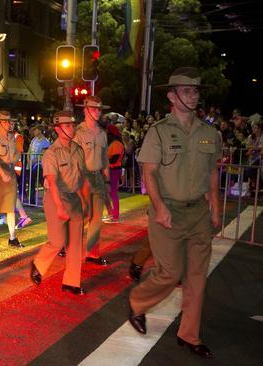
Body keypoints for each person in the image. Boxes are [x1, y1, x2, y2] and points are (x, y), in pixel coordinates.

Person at [127, 67, 221, 359]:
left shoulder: (209, 133)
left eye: (195, 91)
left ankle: (189, 334)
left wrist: (215, 208)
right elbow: (149, 173)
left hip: (198, 214)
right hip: (168, 210)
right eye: (185, 91)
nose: (192, 96)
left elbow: (212, 173)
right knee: (170, 274)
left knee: (196, 277)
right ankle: (137, 303)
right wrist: (160, 208)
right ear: (171, 95)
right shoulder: (158, 132)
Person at [30, 111, 90, 295]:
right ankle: (38, 264)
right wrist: (59, 206)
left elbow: (81, 179)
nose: (72, 129)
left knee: (75, 245)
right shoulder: (51, 153)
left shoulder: (78, 150)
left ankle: (72, 282)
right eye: (67, 126)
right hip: (57, 198)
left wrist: (86, 202)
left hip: (74, 199)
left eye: (73, 125)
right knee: (58, 241)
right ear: (57, 129)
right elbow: (52, 182)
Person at [73, 95, 111, 265]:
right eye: (94, 108)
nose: (97, 112)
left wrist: (107, 179)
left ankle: (92, 253)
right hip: (83, 177)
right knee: (81, 217)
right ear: (85, 109)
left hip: (98, 178)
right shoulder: (78, 133)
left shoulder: (102, 133)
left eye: (99, 109)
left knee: (97, 219)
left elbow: (104, 159)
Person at [0, 110, 23, 248]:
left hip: (9, 171)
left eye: (10, 121)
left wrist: (11, 164)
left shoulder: (12, 138)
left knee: (10, 207)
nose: (9, 124)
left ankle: (12, 237)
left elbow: (16, 155)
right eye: (5, 121)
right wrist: (2, 173)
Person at [105, 124, 124, 223]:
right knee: (110, 193)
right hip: (113, 170)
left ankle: (115, 216)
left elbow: (113, 160)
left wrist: (104, 159)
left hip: (114, 170)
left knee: (113, 193)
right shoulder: (115, 143)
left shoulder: (116, 144)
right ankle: (112, 214)